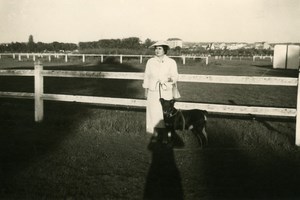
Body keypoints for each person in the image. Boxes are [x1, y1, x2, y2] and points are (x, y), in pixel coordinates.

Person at [142, 41, 180, 136]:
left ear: (165, 50)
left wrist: (166, 79)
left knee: (165, 112)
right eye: (156, 48)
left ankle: (167, 133)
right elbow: (147, 76)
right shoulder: (150, 62)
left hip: (166, 90)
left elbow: (175, 77)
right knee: (153, 111)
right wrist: (146, 90)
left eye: (160, 48)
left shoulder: (171, 62)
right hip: (153, 90)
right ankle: (154, 133)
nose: (157, 51)